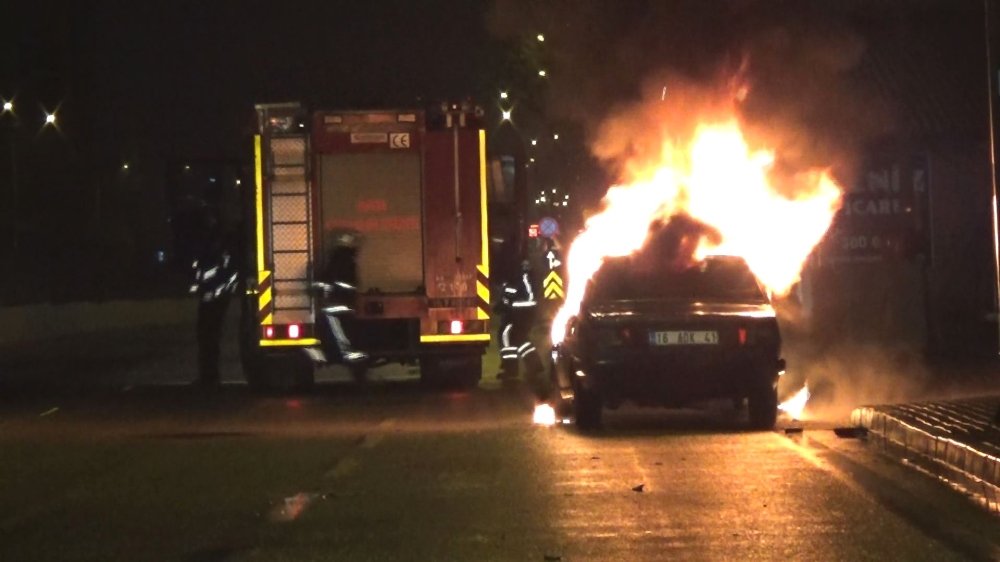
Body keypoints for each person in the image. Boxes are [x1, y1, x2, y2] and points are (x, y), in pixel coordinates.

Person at [188, 201, 240, 388]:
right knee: (205, 337)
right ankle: (208, 375)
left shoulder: (218, 244)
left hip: (215, 299)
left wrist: (213, 293)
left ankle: (210, 376)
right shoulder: (209, 242)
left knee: (209, 337)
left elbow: (224, 273)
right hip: (210, 297)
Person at [315, 229, 368, 373]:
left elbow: (325, 279)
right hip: (343, 305)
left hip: (334, 306)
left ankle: (330, 356)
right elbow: (349, 283)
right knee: (344, 335)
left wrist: (320, 289)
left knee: (339, 335)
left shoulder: (336, 258)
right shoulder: (347, 260)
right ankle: (349, 359)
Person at [498, 259, 543, 381]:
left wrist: (501, 305)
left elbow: (510, 293)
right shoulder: (526, 274)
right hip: (526, 312)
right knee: (520, 338)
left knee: (506, 336)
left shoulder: (515, 276)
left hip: (518, 312)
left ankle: (511, 369)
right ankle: (535, 366)